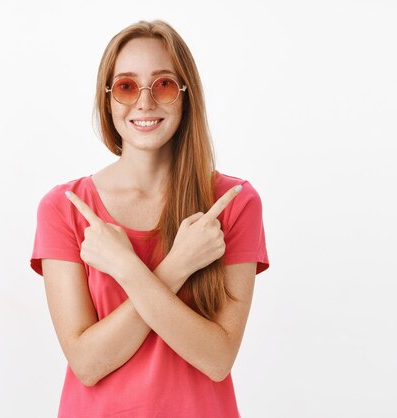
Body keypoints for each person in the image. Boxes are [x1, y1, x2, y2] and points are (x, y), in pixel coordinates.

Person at [30, 19, 270, 418]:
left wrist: (127, 268)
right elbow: (88, 364)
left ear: (186, 96)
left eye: (163, 85)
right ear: (107, 99)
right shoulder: (64, 208)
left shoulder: (232, 203)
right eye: (126, 86)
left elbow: (217, 358)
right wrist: (176, 266)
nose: (144, 102)